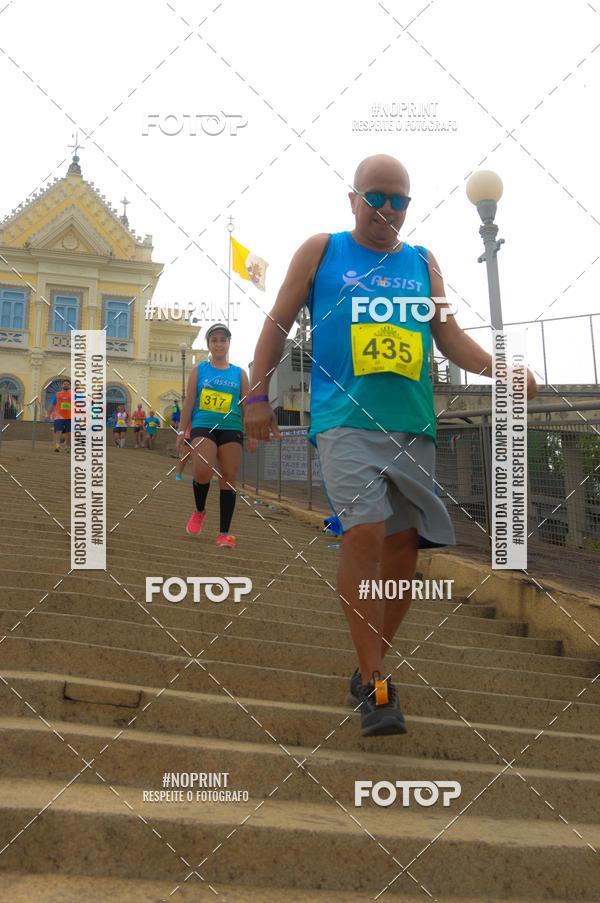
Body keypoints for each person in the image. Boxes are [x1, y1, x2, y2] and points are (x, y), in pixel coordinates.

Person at [246, 153, 538, 738]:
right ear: (352, 199)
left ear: (409, 205)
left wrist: (498, 368)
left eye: (398, 199)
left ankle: (369, 664)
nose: (386, 208)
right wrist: (255, 396)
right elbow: (278, 322)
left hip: (413, 424)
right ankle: (378, 684)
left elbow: (448, 336)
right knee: (365, 531)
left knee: (404, 550)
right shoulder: (322, 250)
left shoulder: (423, 262)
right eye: (374, 196)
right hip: (344, 421)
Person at [176, 323, 256, 548]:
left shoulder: (239, 373)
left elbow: (247, 406)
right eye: (214, 340)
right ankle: (200, 510)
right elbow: (190, 401)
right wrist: (182, 430)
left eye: (223, 340)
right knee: (202, 470)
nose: (219, 344)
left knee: (229, 479)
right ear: (209, 345)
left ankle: (223, 533)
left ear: (228, 343)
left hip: (231, 428)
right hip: (203, 426)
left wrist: (252, 434)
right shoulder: (199, 370)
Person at [48, 378, 72, 452]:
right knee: (58, 431)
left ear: (70, 386)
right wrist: (49, 414)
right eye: (65, 384)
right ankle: (57, 445)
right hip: (59, 416)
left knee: (69, 433)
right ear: (62, 385)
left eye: (68, 384)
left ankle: (67, 446)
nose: (66, 385)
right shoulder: (57, 394)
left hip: (70, 416)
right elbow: (52, 405)